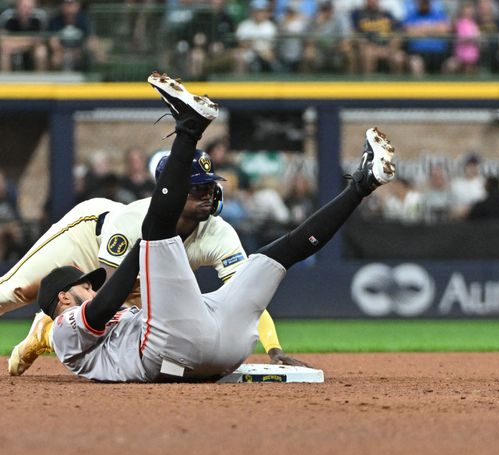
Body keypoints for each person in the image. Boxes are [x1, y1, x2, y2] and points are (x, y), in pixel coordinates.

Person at [0, 77, 302, 378]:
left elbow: (248, 297)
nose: (209, 194)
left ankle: (45, 334)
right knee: (14, 291)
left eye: (211, 185)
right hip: (90, 234)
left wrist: (274, 348)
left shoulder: (218, 232)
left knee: (132, 313)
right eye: (199, 187)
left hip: (135, 264)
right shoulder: (134, 220)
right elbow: (110, 293)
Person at [45, 73, 396, 383]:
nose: (90, 288)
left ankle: (361, 185)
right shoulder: (63, 332)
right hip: (168, 352)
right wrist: (145, 246)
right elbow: (101, 307)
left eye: (89, 285)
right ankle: (188, 128)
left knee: (278, 254)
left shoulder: (214, 230)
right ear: (63, 297)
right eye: (83, 286)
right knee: (155, 234)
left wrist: (271, 347)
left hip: (224, 348)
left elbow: (114, 302)